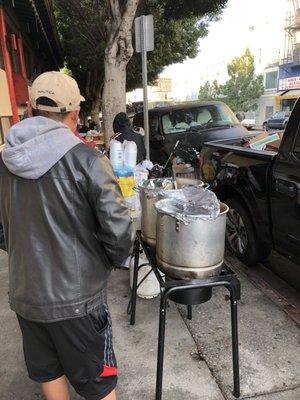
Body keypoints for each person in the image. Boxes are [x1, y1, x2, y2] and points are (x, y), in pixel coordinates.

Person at [0, 71, 134, 400]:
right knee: (100, 385)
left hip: (26, 294)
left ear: (31, 110)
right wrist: (106, 262)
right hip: (78, 301)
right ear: (73, 115)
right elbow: (119, 231)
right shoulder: (88, 160)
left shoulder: (4, 161)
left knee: (50, 372)